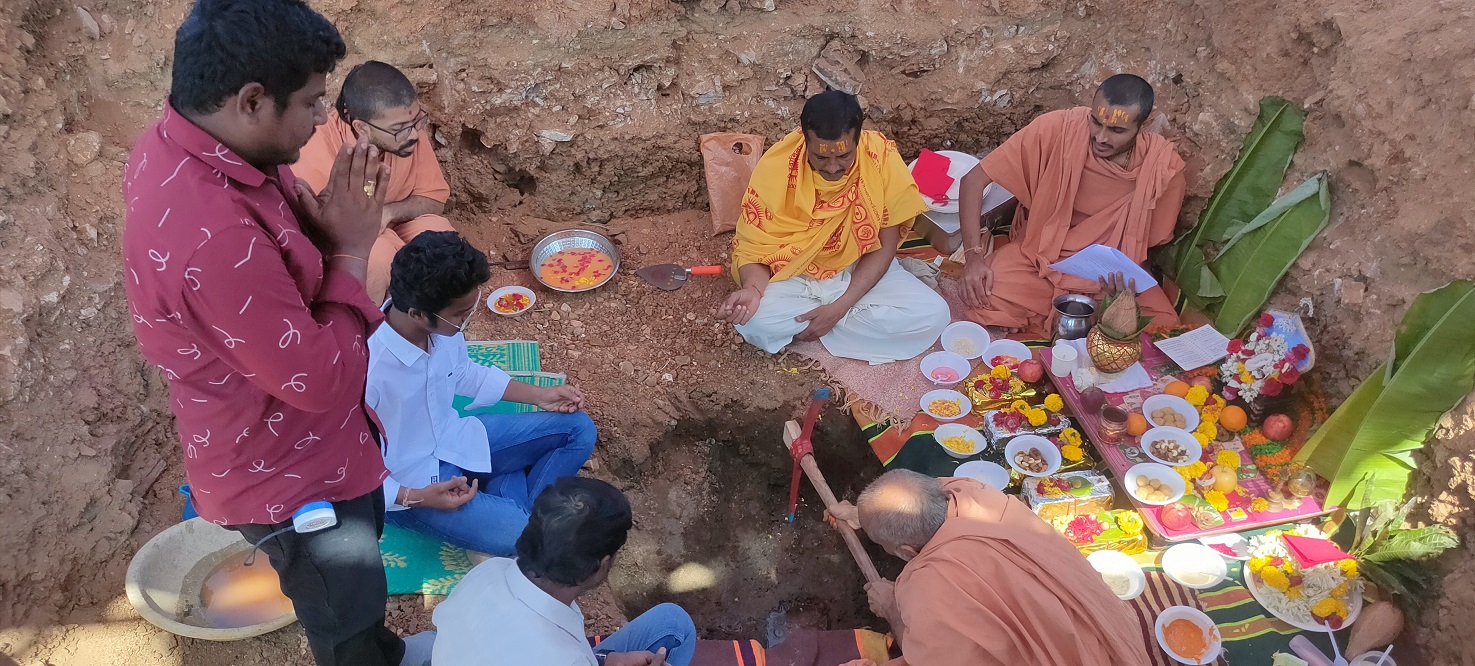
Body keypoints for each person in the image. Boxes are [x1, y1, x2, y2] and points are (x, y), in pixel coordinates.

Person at [121, 0, 410, 663]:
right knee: (347, 616)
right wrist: (350, 252)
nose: (321, 120)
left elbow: (267, 265)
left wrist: (315, 228)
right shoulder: (215, 237)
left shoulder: (178, 140)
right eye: (311, 103)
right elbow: (321, 381)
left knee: (352, 594)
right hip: (292, 471)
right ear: (252, 99)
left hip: (283, 438)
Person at [367, 231, 597, 557]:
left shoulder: (441, 329)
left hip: (457, 438)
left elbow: (463, 374)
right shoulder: (366, 370)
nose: (467, 320)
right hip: (414, 485)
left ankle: (507, 492)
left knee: (579, 430)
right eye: (461, 314)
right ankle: (511, 494)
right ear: (418, 313)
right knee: (520, 535)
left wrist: (539, 396)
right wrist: (413, 497)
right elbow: (342, 468)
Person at [718, 91, 950, 364]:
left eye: (843, 156)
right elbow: (754, 247)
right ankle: (842, 322)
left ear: (858, 139)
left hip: (859, 266)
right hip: (797, 274)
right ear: (805, 140)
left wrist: (840, 307)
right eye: (820, 157)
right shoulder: (776, 167)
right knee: (753, 321)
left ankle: (818, 323)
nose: (832, 168)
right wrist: (753, 291)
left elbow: (885, 246)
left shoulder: (880, 157)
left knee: (935, 316)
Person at [828, 470, 1151, 666]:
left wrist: (892, 608)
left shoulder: (929, 586)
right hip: (1119, 641)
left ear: (906, 550)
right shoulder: (975, 494)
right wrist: (864, 514)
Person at [955, 74, 1187, 339]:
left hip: (1108, 279)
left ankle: (1061, 318)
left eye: (1116, 131)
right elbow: (973, 181)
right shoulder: (1059, 129)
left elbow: (1150, 240)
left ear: (1142, 126)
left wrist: (1123, 288)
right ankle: (1087, 323)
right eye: (1096, 122)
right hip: (1043, 260)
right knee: (985, 290)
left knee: (1165, 329)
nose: (1100, 137)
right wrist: (973, 258)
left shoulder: (1161, 167)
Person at [432, 477, 698, 666]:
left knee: (672, 623)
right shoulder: (564, 657)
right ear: (602, 566)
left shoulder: (488, 572)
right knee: (675, 628)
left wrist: (604, 661)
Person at [293, 60, 454, 304]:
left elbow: (433, 199)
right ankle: (369, 330)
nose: (414, 134)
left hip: (393, 225)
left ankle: (430, 319)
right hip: (345, 242)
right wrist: (378, 235)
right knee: (377, 258)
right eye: (400, 128)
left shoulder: (407, 133)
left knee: (440, 237)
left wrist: (389, 213)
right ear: (361, 127)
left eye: (417, 122)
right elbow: (315, 234)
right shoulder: (315, 148)